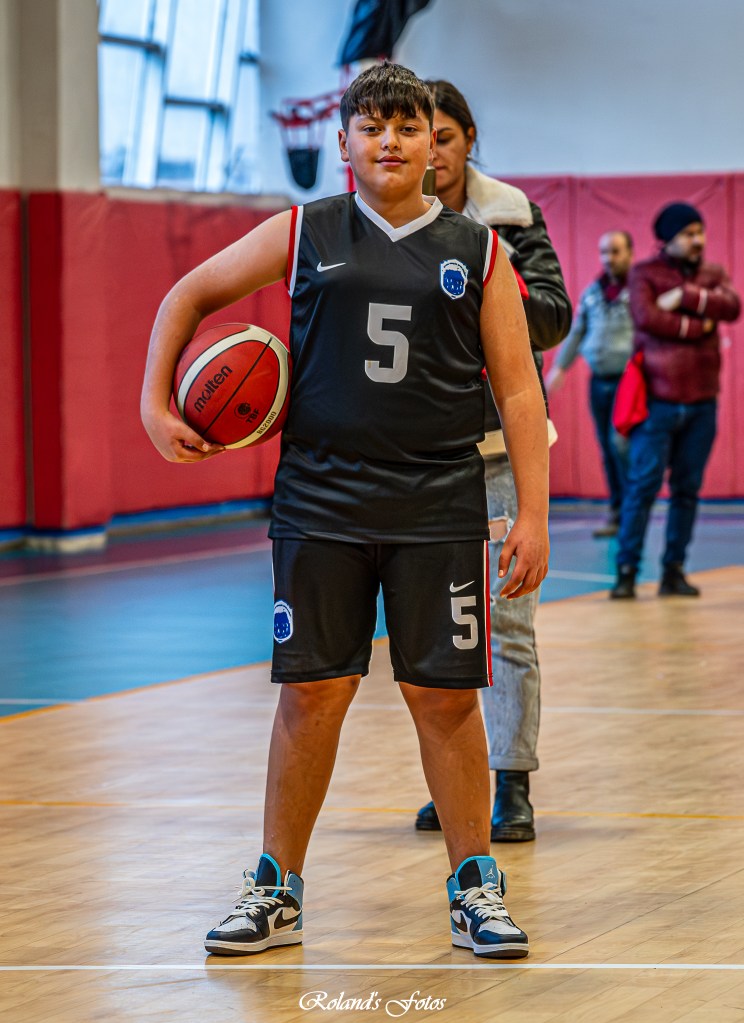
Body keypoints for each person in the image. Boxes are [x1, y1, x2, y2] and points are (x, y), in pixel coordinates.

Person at [140, 64, 550, 960]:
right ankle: (276, 888)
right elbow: (186, 296)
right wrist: (154, 404)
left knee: (445, 699)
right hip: (320, 502)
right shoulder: (302, 232)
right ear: (343, 144)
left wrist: (533, 515)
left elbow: (520, 390)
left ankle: (475, 887)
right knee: (312, 693)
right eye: (372, 127)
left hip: (438, 504)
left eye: (407, 126)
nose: (390, 141)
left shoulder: (479, 250)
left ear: (435, 143)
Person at [414, 80, 571, 843]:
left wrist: (490, 269)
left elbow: (554, 317)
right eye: (424, 138)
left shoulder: (509, 214)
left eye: (445, 137)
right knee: (435, 630)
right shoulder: (391, 221)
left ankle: (512, 782)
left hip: (500, 450)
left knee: (506, 622)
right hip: (420, 452)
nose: (432, 153)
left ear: (469, 139)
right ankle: (458, 781)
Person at [611, 202, 740, 599]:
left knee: (687, 489)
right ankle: (627, 572)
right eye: (688, 233)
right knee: (643, 487)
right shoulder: (644, 274)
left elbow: (732, 307)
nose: (698, 240)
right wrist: (699, 323)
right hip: (657, 403)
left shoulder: (713, 273)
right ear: (667, 238)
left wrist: (684, 295)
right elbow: (647, 318)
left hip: (702, 402)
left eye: (700, 232)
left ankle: (673, 571)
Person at [546, 231, 634, 537]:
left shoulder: (639, 290)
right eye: (604, 252)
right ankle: (618, 513)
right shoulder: (593, 293)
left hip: (629, 383)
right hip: (599, 382)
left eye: (615, 251)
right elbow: (578, 331)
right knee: (607, 449)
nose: (609, 258)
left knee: (620, 445)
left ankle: (632, 513)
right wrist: (560, 367)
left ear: (629, 254)